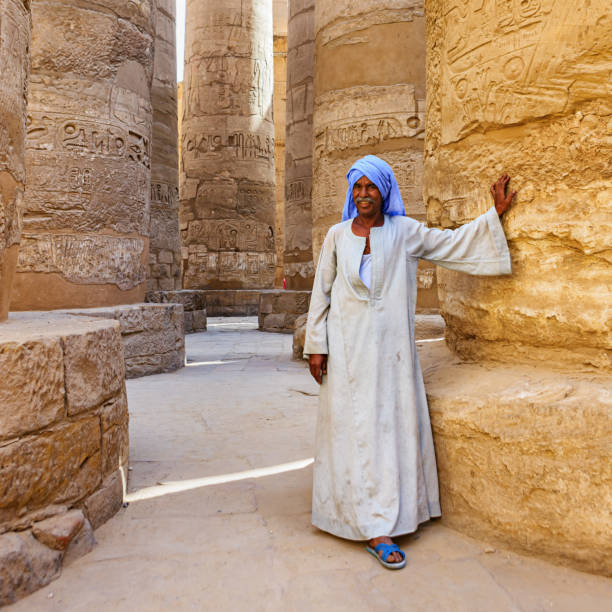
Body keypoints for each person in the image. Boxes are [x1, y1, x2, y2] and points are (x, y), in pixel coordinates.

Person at [303, 155, 515, 569]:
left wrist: (494, 216)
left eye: (371, 187)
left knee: (386, 431)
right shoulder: (336, 236)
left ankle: (383, 523)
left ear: (384, 191)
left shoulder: (404, 232)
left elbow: (450, 244)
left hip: (390, 356)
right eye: (357, 188)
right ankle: (348, 514)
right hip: (345, 353)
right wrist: (317, 345)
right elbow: (321, 294)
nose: (364, 195)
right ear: (352, 193)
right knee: (350, 432)